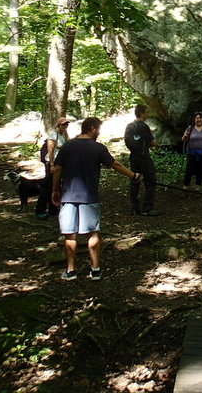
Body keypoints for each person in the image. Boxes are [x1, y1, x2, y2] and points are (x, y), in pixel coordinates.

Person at [51, 117, 142, 281]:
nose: (99, 132)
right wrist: (133, 176)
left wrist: (55, 190)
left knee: (69, 235)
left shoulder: (68, 146)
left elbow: (57, 168)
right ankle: (95, 270)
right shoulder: (97, 148)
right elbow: (116, 165)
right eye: (98, 129)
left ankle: (70, 271)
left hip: (68, 196)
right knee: (93, 234)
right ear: (92, 128)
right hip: (89, 196)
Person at [124, 104, 159, 216]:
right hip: (144, 157)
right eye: (146, 112)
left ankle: (134, 208)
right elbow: (152, 142)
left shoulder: (129, 126)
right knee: (150, 181)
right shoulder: (143, 126)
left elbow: (127, 142)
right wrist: (149, 145)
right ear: (142, 113)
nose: (147, 114)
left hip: (133, 157)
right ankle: (147, 209)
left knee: (135, 180)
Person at [36, 117, 70, 218]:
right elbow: (50, 151)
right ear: (58, 125)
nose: (65, 126)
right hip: (52, 164)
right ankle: (40, 211)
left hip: (59, 164)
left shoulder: (62, 135)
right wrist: (51, 165)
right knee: (47, 187)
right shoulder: (53, 136)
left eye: (66, 124)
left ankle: (53, 209)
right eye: (63, 124)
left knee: (55, 187)